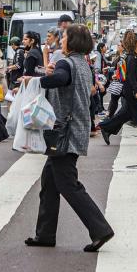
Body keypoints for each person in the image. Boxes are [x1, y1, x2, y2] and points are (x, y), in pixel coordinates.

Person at [23, 24, 114, 252]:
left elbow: (61, 79)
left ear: (71, 42)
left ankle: (100, 229)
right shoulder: (83, 64)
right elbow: (66, 80)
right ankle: (45, 234)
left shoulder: (67, 62)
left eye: (63, 38)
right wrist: (49, 73)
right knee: (49, 183)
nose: (60, 41)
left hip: (64, 131)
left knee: (67, 184)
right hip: (76, 127)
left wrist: (34, 81)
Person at [97, 31, 137, 142]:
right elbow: (130, 76)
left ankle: (106, 128)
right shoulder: (132, 58)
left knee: (127, 113)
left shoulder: (135, 56)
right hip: (132, 91)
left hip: (132, 90)